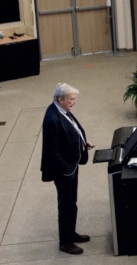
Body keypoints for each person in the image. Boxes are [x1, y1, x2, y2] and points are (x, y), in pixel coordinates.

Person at [41, 83, 93, 255]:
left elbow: (72, 131)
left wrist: (82, 144)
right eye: (71, 99)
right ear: (59, 99)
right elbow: (51, 151)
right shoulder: (52, 119)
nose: (74, 102)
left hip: (71, 165)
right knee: (66, 206)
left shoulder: (62, 111)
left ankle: (71, 232)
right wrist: (66, 169)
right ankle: (65, 242)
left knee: (72, 203)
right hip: (63, 170)